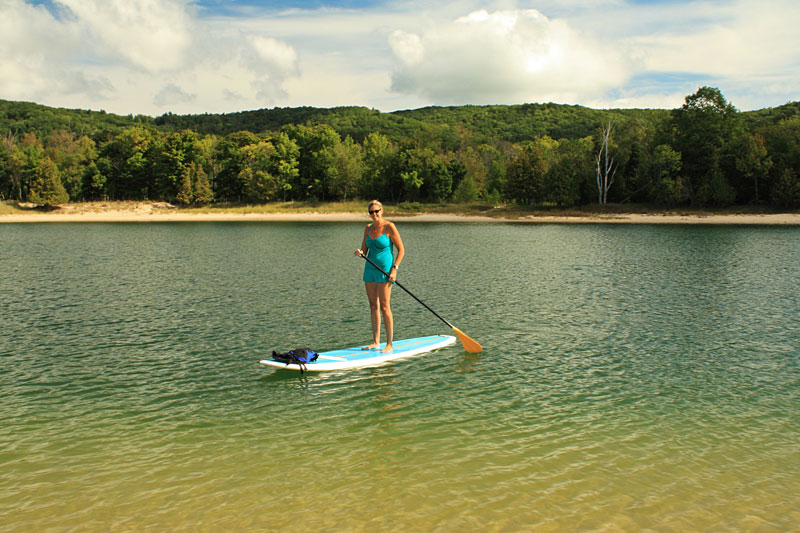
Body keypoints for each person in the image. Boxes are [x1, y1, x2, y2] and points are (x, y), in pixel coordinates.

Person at [354, 200, 405, 353]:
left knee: (384, 306)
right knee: (373, 305)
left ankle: (389, 343)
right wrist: (359, 253)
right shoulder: (368, 228)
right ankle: (376, 341)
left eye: (376, 211)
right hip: (370, 269)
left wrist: (394, 269)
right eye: (371, 212)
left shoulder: (390, 227)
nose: (374, 214)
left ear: (382, 211)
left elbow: (401, 250)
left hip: (385, 271)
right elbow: (364, 250)